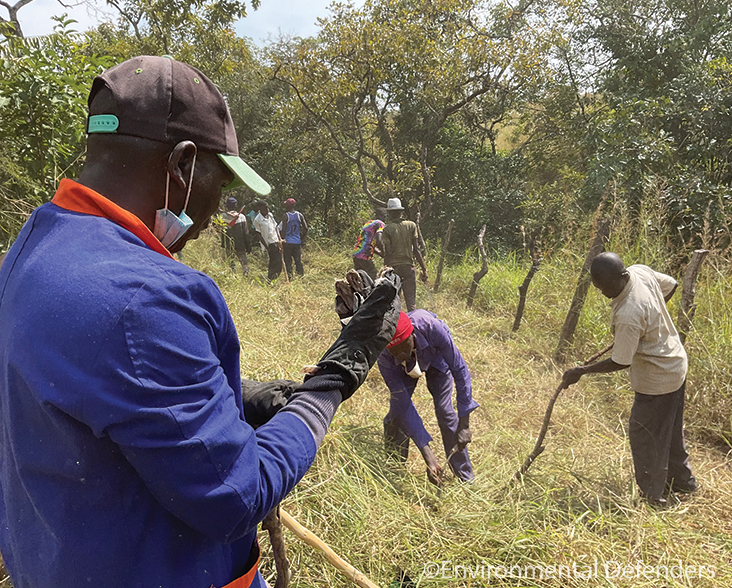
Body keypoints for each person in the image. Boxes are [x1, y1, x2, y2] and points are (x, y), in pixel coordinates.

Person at [0, 55, 400, 588]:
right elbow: (236, 497)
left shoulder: (29, 247)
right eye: (220, 179)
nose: (213, 213)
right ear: (183, 166)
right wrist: (330, 384)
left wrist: (247, 397)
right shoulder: (149, 299)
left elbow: (104, 384)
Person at [562, 252, 696, 508]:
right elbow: (671, 284)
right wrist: (651, 319)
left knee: (645, 434)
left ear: (622, 277)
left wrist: (581, 370)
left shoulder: (629, 312)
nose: (603, 293)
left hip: (659, 378)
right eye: (599, 288)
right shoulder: (640, 271)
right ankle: (683, 483)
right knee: (668, 429)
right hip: (676, 362)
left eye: (607, 287)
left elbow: (621, 361)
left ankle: (654, 497)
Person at [377, 310, 479, 485]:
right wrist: (428, 456)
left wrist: (464, 425)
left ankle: (465, 478)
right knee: (397, 415)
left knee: (445, 412)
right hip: (403, 369)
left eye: (403, 347)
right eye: (394, 350)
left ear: (412, 335)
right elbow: (403, 404)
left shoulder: (432, 328)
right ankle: (395, 469)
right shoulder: (385, 356)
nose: (400, 354)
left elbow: (460, 370)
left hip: (436, 356)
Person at [381, 197, 428, 312]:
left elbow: (388, 253)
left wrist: (384, 270)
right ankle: (413, 325)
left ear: (390, 213)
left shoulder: (387, 229)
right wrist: (423, 269)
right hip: (408, 267)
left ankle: (397, 327)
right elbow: (416, 250)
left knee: (394, 302)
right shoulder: (411, 225)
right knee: (411, 302)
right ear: (400, 212)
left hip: (394, 269)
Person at [252, 200, 282, 280]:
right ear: (260, 209)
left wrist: (280, 239)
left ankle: (277, 276)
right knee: (273, 261)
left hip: (276, 241)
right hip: (270, 243)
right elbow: (259, 234)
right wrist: (266, 247)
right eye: (265, 208)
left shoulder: (270, 215)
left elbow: (276, 228)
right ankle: (271, 278)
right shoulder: (257, 220)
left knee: (279, 261)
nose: (267, 210)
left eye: (267, 208)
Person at [352, 208, 386, 280]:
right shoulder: (380, 224)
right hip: (365, 256)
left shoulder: (368, 223)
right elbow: (379, 241)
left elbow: (368, 244)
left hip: (356, 253)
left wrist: (380, 253)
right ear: (384, 216)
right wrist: (384, 252)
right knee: (372, 276)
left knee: (361, 279)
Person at [222, 196, 251, 275]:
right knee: (244, 263)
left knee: (231, 264)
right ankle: (246, 276)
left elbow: (221, 231)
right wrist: (248, 246)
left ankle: (233, 276)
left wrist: (223, 245)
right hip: (240, 245)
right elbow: (246, 233)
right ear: (236, 206)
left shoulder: (223, 216)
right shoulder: (241, 217)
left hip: (228, 245)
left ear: (227, 206)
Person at [281, 197, 307, 277]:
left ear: (288, 206)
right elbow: (305, 228)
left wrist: (282, 240)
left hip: (288, 242)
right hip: (297, 242)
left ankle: (289, 276)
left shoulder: (286, 216)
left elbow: (284, 230)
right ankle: (300, 275)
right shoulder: (299, 215)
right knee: (298, 260)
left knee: (288, 260)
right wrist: (301, 238)